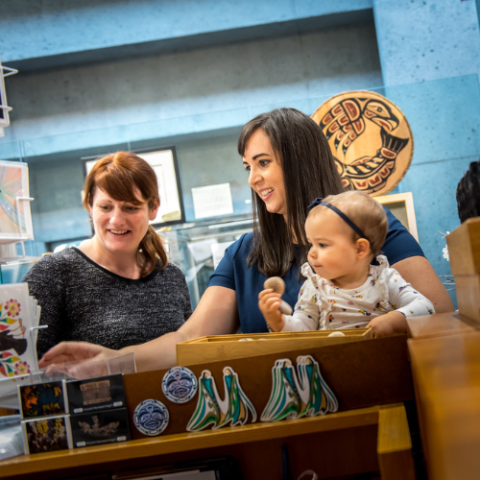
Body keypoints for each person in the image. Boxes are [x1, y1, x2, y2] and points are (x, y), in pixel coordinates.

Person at [39, 108, 454, 372]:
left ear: (298, 160)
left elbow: (439, 313)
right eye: (247, 166)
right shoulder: (243, 254)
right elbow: (189, 339)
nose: (253, 178)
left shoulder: (375, 232)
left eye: (263, 163)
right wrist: (114, 360)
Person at [24, 152, 192, 358]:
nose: (117, 220)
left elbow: (188, 353)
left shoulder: (171, 276)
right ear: (89, 206)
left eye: (130, 208)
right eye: (105, 207)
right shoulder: (52, 274)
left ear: (153, 208)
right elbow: (25, 366)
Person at [259, 191, 434, 338]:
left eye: (322, 244)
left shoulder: (385, 281)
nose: (311, 253)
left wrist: (395, 319)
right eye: (311, 243)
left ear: (360, 249)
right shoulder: (314, 288)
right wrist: (279, 322)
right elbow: (303, 329)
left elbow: (426, 307)